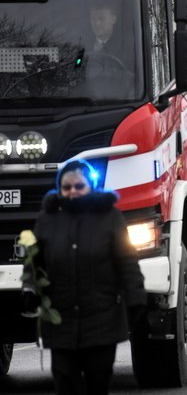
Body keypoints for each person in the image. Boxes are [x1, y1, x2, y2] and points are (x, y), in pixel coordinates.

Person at [21, 159, 146, 395]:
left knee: (97, 382)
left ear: (91, 187)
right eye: (66, 188)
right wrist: (30, 289)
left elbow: (127, 261)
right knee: (65, 381)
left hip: (101, 320)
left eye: (79, 187)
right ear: (59, 189)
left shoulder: (111, 217)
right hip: (61, 320)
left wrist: (136, 299)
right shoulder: (47, 219)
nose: (72, 193)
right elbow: (35, 263)